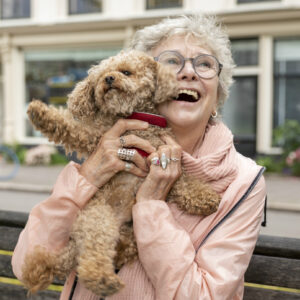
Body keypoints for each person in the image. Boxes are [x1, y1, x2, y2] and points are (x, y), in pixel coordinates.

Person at [12, 14, 266, 300]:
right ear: (150, 84)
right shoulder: (106, 149)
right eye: (171, 61)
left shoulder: (243, 181)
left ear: (217, 94)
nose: (189, 73)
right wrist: (90, 175)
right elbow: (25, 267)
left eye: (205, 64)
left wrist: (150, 206)